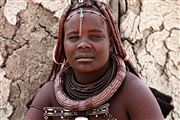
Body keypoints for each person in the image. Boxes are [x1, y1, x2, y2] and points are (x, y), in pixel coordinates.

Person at [25, 0, 166, 120]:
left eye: (95, 37)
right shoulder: (50, 93)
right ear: (62, 45)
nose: (83, 45)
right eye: (73, 37)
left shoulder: (132, 91)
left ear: (110, 44)